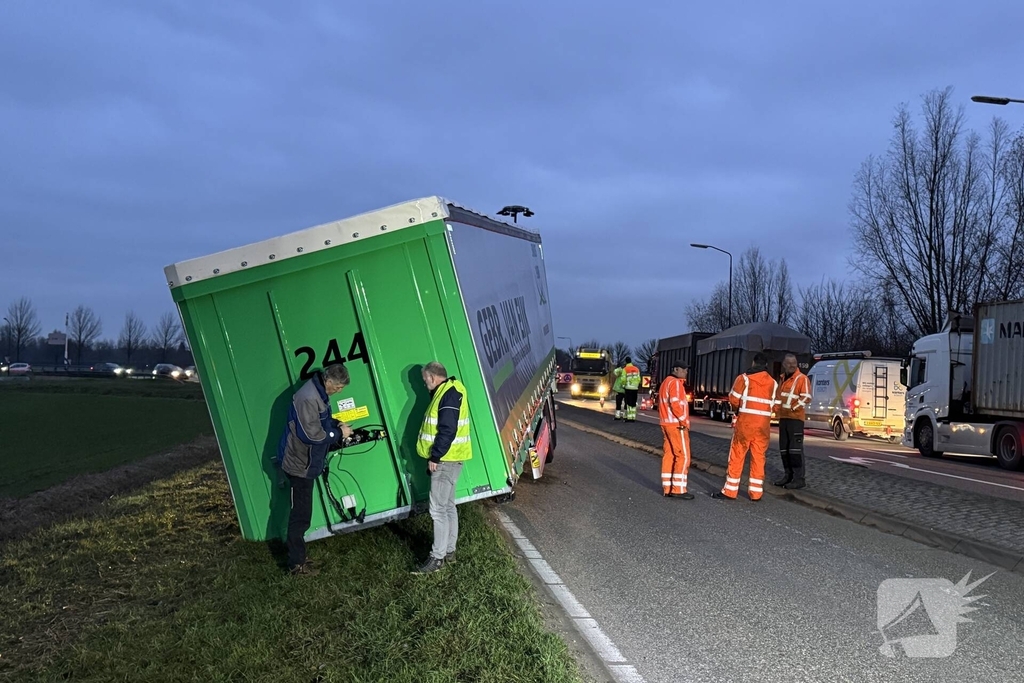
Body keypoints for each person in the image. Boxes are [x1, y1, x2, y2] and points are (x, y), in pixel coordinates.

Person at [277, 364, 353, 576]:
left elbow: (321, 421)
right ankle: (296, 564)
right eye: (338, 388)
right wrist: (338, 435)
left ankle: (298, 558)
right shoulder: (308, 397)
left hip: (307, 462)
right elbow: (310, 435)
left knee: (303, 514)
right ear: (328, 381)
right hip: (298, 464)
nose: (338, 392)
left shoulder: (318, 393)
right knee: (300, 516)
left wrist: (336, 423)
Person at [413, 361, 473, 574]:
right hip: (453, 459)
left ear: (432, 377)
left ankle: (437, 558)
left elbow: (447, 429)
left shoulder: (447, 394)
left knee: (438, 510)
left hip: (445, 460)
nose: (424, 384)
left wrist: (435, 457)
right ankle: (449, 552)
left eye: (424, 380)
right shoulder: (451, 390)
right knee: (447, 506)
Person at [712, 352, 779, 502]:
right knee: (759, 458)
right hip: (763, 426)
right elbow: (776, 406)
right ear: (766, 365)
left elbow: (733, 398)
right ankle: (756, 493)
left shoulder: (743, 378)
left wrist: (738, 409)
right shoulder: (773, 383)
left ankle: (730, 491)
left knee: (737, 455)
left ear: (753, 363)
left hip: (746, 424)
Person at [775, 353, 812, 489]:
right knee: (784, 449)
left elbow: (806, 397)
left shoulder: (802, 379)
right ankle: (788, 475)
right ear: (784, 365)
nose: (792, 366)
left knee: (795, 450)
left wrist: (793, 408)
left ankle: (798, 478)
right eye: (789, 363)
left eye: (794, 363)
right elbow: (778, 398)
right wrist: (776, 410)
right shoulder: (782, 379)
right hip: (783, 418)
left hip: (795, 419)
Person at [658, 362, 694, 499]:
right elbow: (676, 405)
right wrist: (684, 422)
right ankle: (678, 489)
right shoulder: (675, 383)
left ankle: (667, 487)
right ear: (676, 369)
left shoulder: (665, 382)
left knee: (670, 455)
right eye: (684, 370)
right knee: (683, 456)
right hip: (677, 425)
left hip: (667, 424)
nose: (686, 372)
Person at [622, 357, 642, 422]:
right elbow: (639, 379)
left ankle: (629, 417)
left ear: (626, 362)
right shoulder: (636, 369)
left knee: (628, 403)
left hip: (628, 388)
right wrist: (636, 385)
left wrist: (623, 385)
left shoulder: (625, 369)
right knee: (633, 403)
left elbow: (623, 379)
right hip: (635, 388)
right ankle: (633, 417)